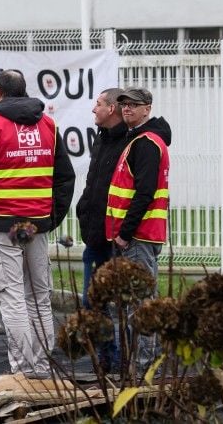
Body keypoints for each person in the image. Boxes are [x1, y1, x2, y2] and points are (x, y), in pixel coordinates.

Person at [0, 69, 75, 377]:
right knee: (39, 297)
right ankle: (41, 367)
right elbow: (65, 177)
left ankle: (23, 370)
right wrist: (51, 218)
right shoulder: (48, 125)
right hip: (36, 227)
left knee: (12, 299)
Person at [104, 87, 172, 375]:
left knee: (142, 306)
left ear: (148, 108)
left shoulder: (145, 143)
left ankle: (146, 372)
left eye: (134, 105)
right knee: (138, 304)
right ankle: (145, 368)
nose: (128, 109)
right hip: (138, 236)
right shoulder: (139, 140)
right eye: (124, 105)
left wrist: (125, 232)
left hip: (138, 237)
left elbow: (144, 192)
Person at [76, 88, 132, 304]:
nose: (93, 109)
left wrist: (123, 232)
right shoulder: (101, 139)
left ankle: (121, 340)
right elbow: (94, 183)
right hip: (94, 236)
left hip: (118, 239)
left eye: (98, 104)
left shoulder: (130, 141)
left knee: (122, 306)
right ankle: (105, 340)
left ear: (110, 109)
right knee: (91, 303)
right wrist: (84, 210)